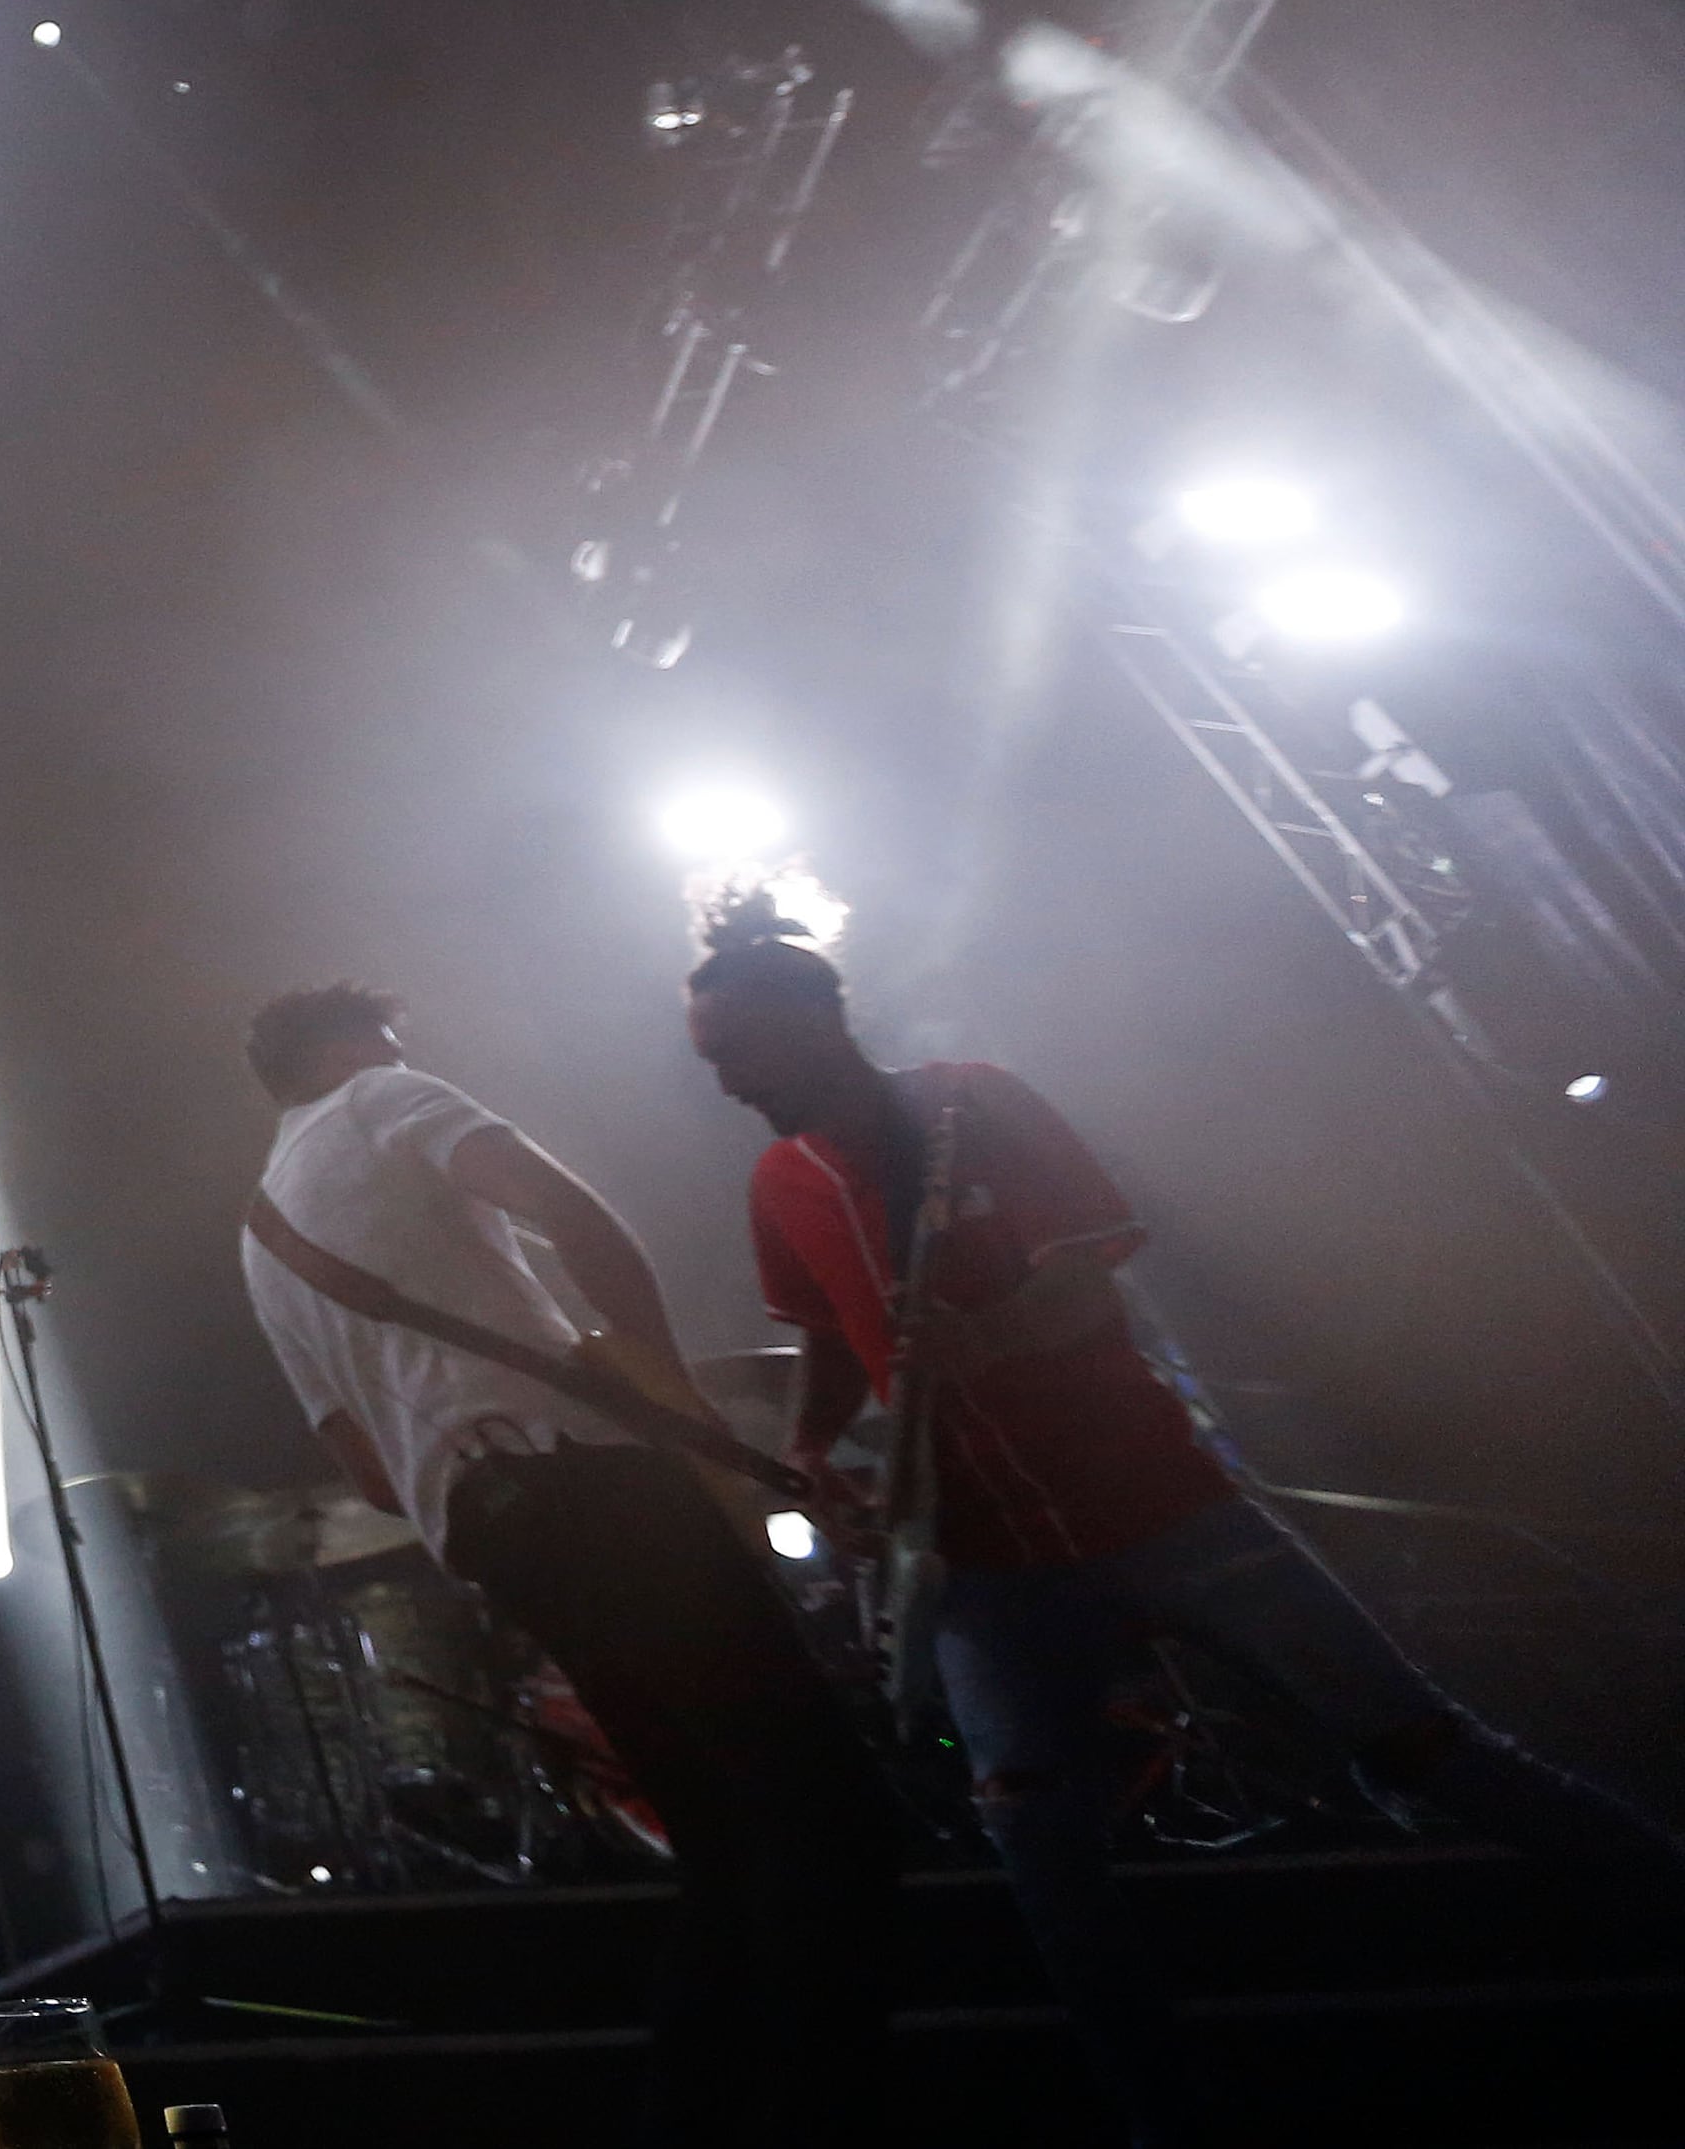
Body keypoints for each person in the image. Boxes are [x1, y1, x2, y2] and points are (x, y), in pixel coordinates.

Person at [688, 917, 1685, 2143]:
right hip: (984, 1560)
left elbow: (1083, 1273)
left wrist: (984, 1340)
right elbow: (831, 1337)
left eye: (735, 1049)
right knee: (1033, 1839)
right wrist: (804, 1451)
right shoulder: (775, 1183)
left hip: (1156, 1503)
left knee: (1424, 1748)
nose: (724, 1080)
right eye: (709, 1059)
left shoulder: (972, 1103)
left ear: (814, 1017)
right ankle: (1158, 2119)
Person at [233, 980, 892, 2149]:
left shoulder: (259, 1238)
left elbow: (373, 1478)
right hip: (589, 1474)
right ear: (348, 1048)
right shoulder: (386, 1098)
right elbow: (572, 1214)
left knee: (720, 1842)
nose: (404, 1050)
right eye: (390, 1038)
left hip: (490, 1528)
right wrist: (664, 1385)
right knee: (816, 1809)